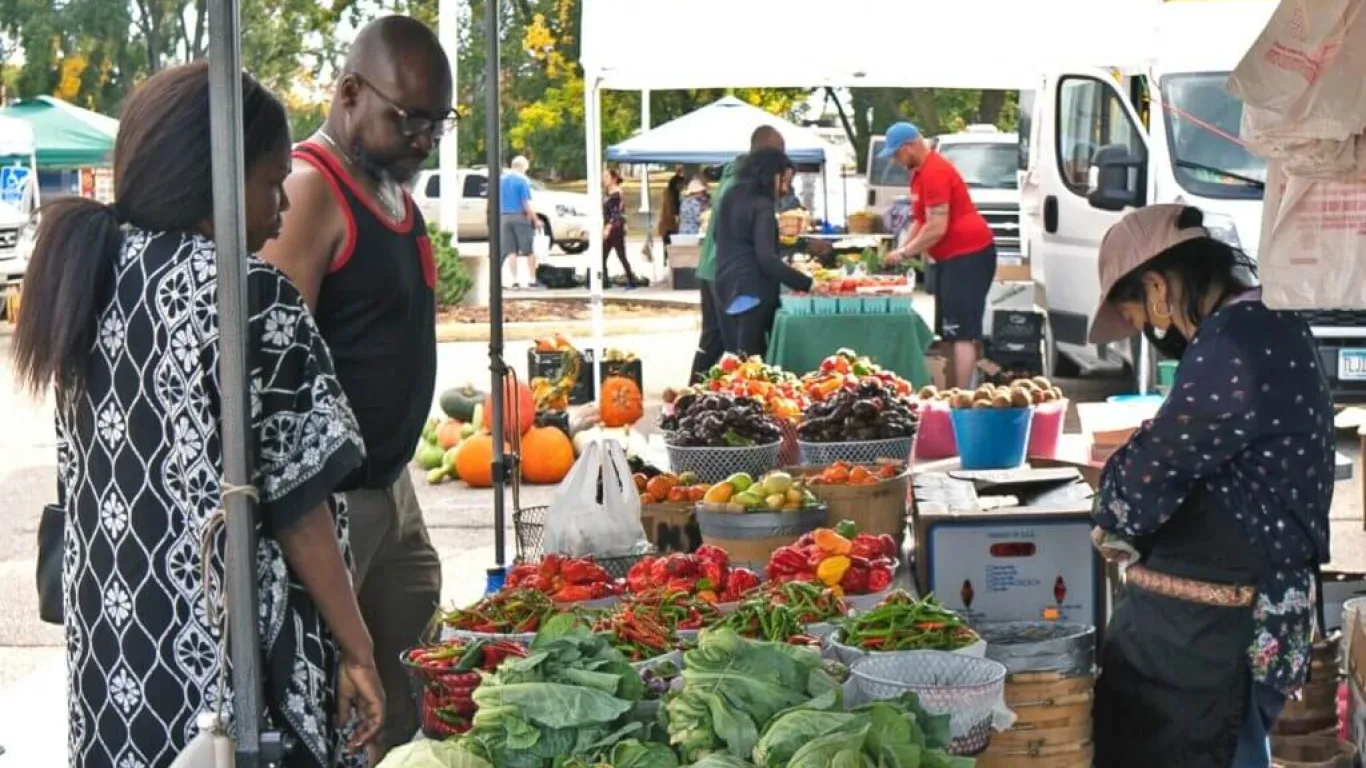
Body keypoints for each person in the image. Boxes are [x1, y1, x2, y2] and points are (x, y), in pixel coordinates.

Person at [12, 61, 383, 768]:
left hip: (116, 668)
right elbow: (300, 510)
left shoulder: (89, 275)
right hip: (227, 681)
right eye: (272, 182)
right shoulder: (250, 296)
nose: (281, 208)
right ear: (211, 176)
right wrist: (358, 648)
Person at [259, 15, 451, 762]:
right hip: (332, 503)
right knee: (342, 691)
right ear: (347, 93)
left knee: (410, 680)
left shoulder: (392, 194)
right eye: (410, 119)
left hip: (392, 487)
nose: (426, 138)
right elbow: (273, 370)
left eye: (438, 121)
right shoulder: (310, 190)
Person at [1088, 204, 1332, 768]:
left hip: (1224, 631)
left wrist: (1110, 508)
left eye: (1139, 317)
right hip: (1251, 608)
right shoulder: (1269, 321)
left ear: (1155, 286)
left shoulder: (1236, 341)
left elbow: (1154, 472)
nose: (1150, 333)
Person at [881, 121, 996, 389]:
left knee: (962, 333)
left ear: (909, 146)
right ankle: (950, 391)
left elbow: (937, 226)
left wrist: (905, 252)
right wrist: (900, 251)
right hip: (949, 259)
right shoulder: (919, 175)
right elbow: (921, 221)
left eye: (897, 154)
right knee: (947, 331)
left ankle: (961, 395)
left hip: (969, 255)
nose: (896, 161)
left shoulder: (934, 172)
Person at [692, 126, 786, 381]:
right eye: (780, 152)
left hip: (711, 268)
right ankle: (698, 401)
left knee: (713, 343)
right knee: (738, 351)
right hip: (725, 273)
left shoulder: (733, 174)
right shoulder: (742, 182)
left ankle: (688, 400)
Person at [712, 147, 815, 358]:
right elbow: (767, 259)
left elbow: (718, 236)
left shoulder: (731, 194)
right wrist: (806, 283)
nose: (785, 189)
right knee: (752, 361)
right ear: (770, 175)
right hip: (753, 290)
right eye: (784, 181)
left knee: (736, 357)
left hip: (726, 286)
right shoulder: (763, 206)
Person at [501, 155, 542, 289]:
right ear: (522, 167)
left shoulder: (501, 180)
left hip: (504, 217)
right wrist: (535, 219)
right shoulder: (522, 180)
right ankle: (532, 279)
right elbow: (525, 202)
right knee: (528, 250)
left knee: (511, 251)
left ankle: (514, 281)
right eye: (526, 169)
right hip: (520, 217)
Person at [602, 168, 638, 288]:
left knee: (621, 254)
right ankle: (604, 281)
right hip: (609, 226)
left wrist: (608, 227)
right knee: (602, 255)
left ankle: (631, 280)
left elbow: (615, 213)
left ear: (613, 179)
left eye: (606, 177)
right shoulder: (607, 192)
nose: (604, 179)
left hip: (615, 228)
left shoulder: (617, 193)